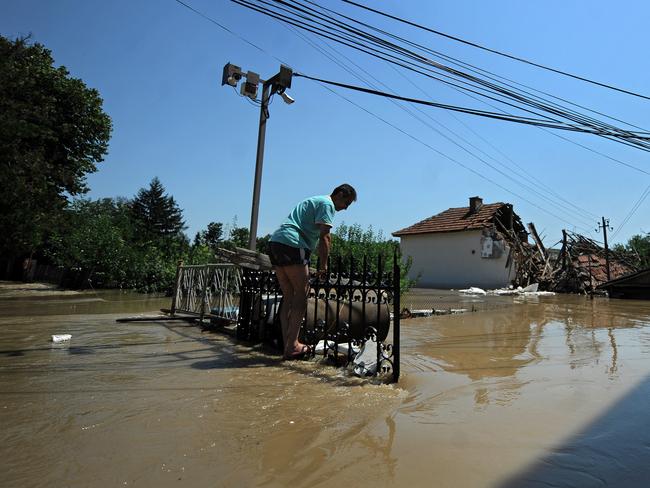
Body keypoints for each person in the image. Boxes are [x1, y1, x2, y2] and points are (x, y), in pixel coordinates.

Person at [268, 184, 357, 360]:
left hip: (276, 242)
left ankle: (287, 342)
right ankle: (292, 345)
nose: (345, 208)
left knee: (289, 296)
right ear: (339, 194)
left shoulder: (315, 200)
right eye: (346, 203)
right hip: (293, 243)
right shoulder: (327, 204)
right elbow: (325, 237)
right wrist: (323, 266)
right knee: (302, 295)